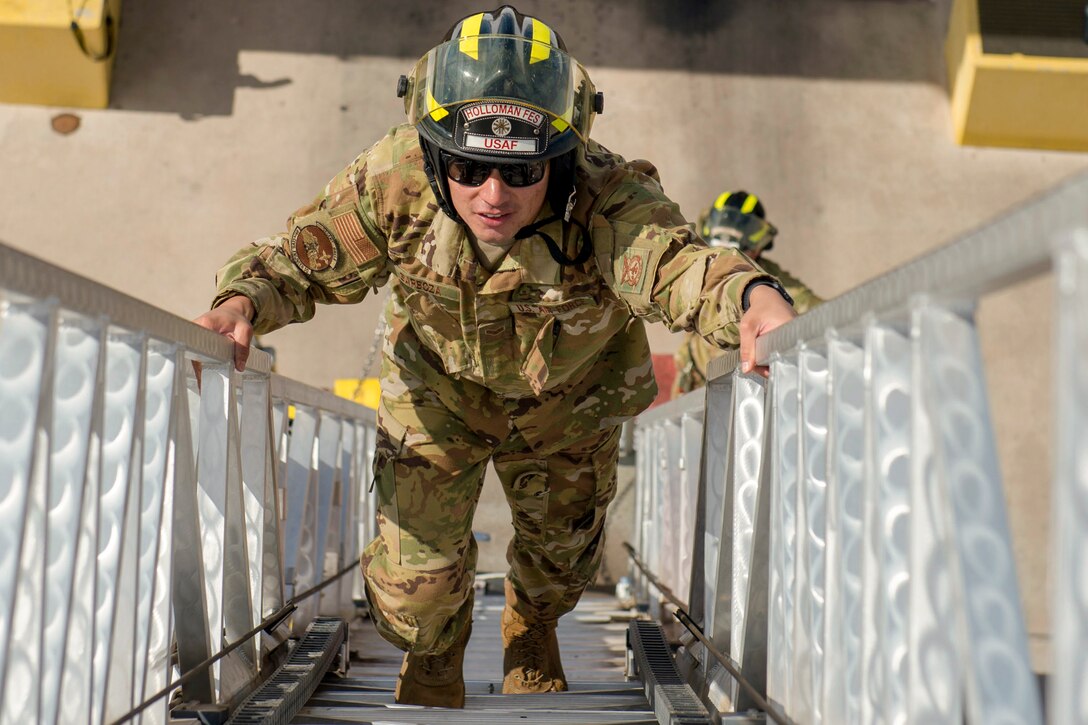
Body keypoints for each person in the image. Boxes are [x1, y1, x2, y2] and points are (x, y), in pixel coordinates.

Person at [194, 6, 796, 709]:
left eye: (520, 171)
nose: (492, 194)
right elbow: (300, 256)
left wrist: (751, 295)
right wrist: (240, 303)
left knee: (561, 562)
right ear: (433, 152)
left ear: (560, 159)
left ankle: (530, 628)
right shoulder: (394, 182)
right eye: (470, 166)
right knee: (409, 588)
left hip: (569, 402)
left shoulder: (605, 195)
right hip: (438, 393)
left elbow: (673, 262)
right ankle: (435, 648)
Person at [671, 190, 822, 397]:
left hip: (744, 392)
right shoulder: (698, 265)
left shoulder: (773, 279)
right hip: (695, 391)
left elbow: (815, 309)